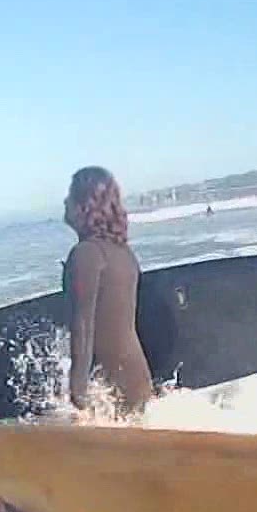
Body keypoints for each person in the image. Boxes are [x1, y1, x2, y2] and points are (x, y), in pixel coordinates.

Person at [60, 166, 155, 420]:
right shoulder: (123, 254)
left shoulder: (86, 254)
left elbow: (83, 328)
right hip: (136, 379)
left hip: (117, 388)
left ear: (84, 205)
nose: (65, 201)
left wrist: (76, 395)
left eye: (71, 195)